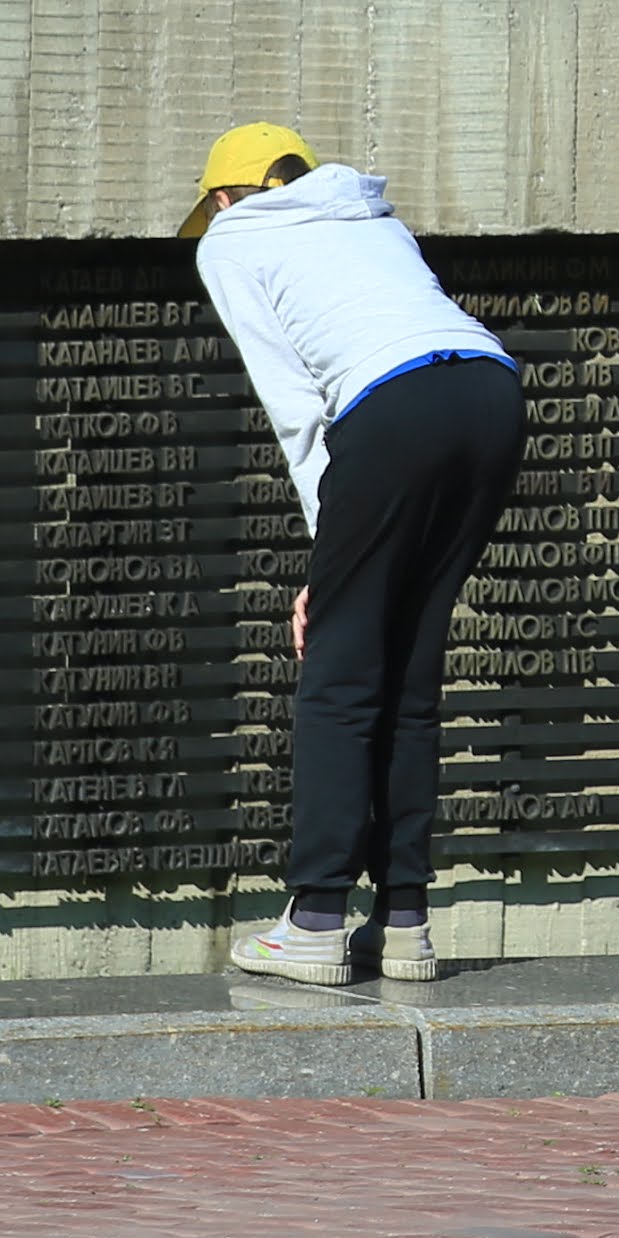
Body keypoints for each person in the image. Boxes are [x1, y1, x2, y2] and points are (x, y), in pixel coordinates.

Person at [184, 119, 527, 986]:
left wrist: (324, 557)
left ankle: (314, 921)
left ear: (224, 197)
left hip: (393, 406)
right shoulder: (374, 217)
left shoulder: (231, 238)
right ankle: (403, 922)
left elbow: (294, 403)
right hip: (492, 392)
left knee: (339, 674)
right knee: (409, 665)